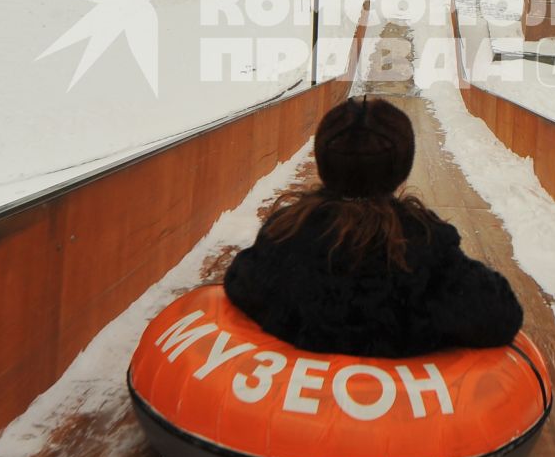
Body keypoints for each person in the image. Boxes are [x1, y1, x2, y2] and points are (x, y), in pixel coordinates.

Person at [223, 98, 523, 358]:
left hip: (290, 411)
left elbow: (241, 284)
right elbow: (500, 316)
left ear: (324, 163)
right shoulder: (425, 248)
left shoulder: (286, 235)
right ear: (401, 169)